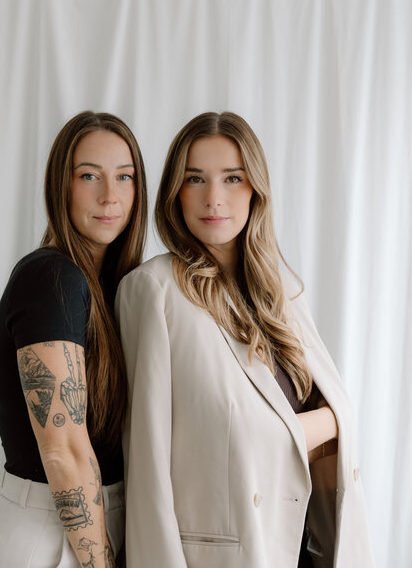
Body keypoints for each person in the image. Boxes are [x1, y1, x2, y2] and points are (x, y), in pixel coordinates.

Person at [116, 112, 373, 567]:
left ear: (256, 189)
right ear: (175, 191)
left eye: (232, 178)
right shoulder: (154, 291)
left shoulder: (282, 294)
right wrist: (323, 426)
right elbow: (147, 467)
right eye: (195, 179)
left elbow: (339, 415)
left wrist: (332, 423)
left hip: (303, 551)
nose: (214, 198)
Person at [0, 111, 147, 568]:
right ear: (60, 185)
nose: (110, 195)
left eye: (124, 177)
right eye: (89, 175)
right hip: (49, 537)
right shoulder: (52, 277)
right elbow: (63, 449)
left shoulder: (113, 287)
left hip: (93, 524)